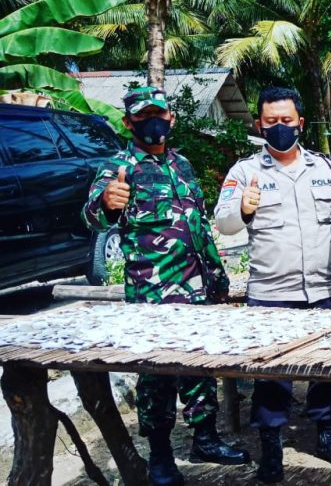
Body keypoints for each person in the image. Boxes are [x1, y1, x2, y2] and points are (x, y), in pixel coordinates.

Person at [81, 87, 248, 486]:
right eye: (143, 116)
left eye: (159, 114)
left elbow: (199, 227)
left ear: (171, 119)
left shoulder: (183, 164)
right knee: (156, 377)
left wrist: (218, 278)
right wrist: (106, 203)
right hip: (153, 296)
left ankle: (205, 439)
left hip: (198, 289)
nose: (153, 123)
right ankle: (159, 456)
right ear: (128, 122)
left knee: (200, 368)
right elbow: (93, 219)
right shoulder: (118, 168)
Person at [214, 87, 331, 482]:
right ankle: (271, 449)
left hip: (322, 291)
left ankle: (327, 436)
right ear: (260, 124)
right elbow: (224, 223)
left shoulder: (326, 169)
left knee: (327, 372)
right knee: (271, 378)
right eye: (271, 122)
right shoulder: (245, 172)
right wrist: (243, 208)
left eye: (286, 120)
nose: (279, 127)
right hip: (270, 296)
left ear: (300, 121)